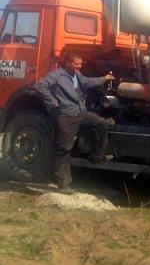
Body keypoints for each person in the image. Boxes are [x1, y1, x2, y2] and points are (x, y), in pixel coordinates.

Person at [33, 53, 114, 192]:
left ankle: (96, 156)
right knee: (64, 148)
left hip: (80, 112)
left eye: (80, 64)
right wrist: (52, 101)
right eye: (76, 64)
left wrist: (104, 78)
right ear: (68, 63)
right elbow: (39, 86)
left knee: (102, 124)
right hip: (66, 114)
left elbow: (88, 82)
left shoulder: (77, 74)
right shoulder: (57, 75)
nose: (79, 66)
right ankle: (62, 183)